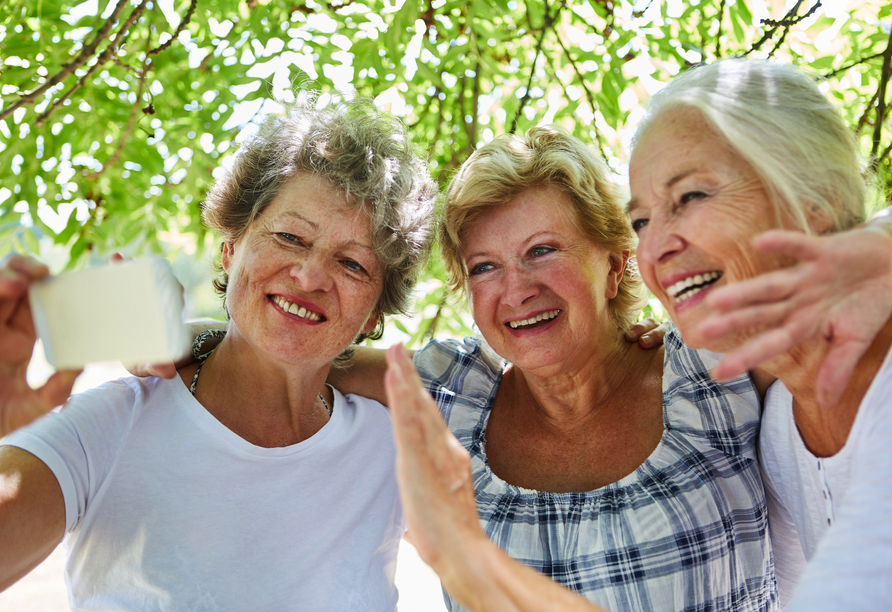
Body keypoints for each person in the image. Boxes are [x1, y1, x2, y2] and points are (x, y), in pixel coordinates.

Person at [379, 59, 892, 612]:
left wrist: (464, 560)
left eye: (690, 197)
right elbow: (307, 368)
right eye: (644, 220)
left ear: (614, 265)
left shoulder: (716, 377)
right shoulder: (784, 422)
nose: (516, 289)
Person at [0, 95, 437, 610]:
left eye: (352, 264)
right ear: (230, 249)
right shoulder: (109, 424)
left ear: (373, 316)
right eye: (290, 236)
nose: (310, 276)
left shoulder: (390, 450)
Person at [337, 125, 778, 612]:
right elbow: (296, 360)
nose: (516, 290)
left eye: (542, 250)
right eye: (484, 266)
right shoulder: (453, 394)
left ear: (614, 265)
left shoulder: (707, 368)